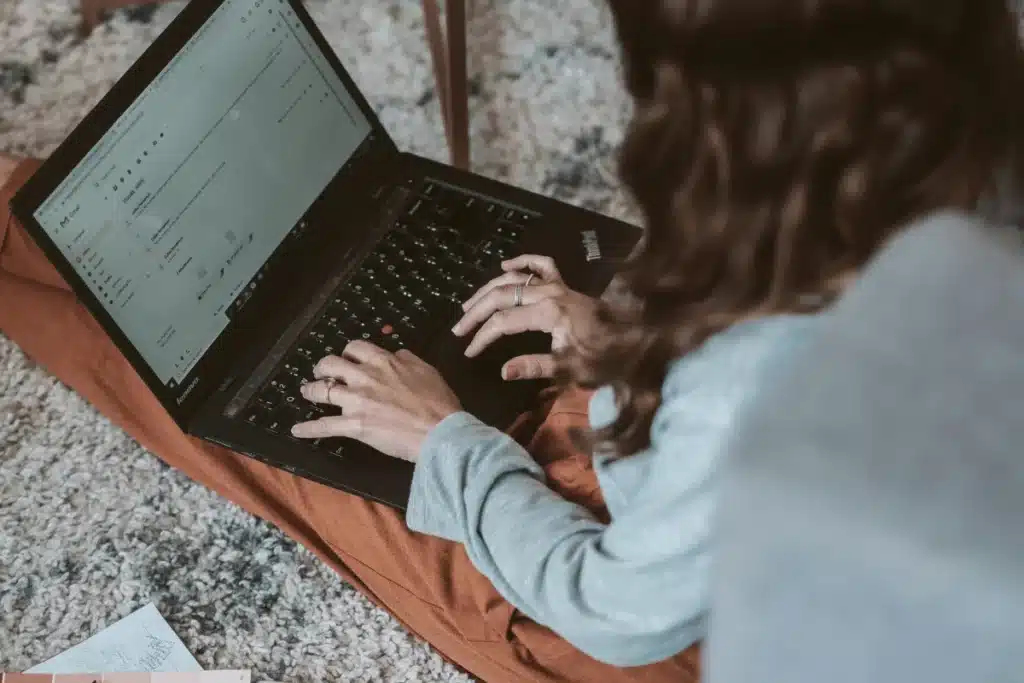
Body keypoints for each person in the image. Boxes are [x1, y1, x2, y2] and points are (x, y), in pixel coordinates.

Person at [3, 0, 1022, 680]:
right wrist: (628, 337)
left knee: (285, 436)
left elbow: (618, 610)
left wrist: (446, 442)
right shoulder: (977, 189)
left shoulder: (765, 369)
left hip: (687, 630)